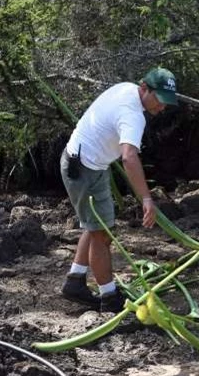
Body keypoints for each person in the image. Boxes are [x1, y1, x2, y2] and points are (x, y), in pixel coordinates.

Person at [59, 67, 178, 312]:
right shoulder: (133, 115)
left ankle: (75, 281)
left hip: (92, 164)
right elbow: (129, 157)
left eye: (166, 102)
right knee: (101, 234)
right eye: (159, 99)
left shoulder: (126, 88)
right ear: (144, 88)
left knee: (96, 227)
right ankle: (109, 298)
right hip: (82, 168)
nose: (162, 107)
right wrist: (146, 199)